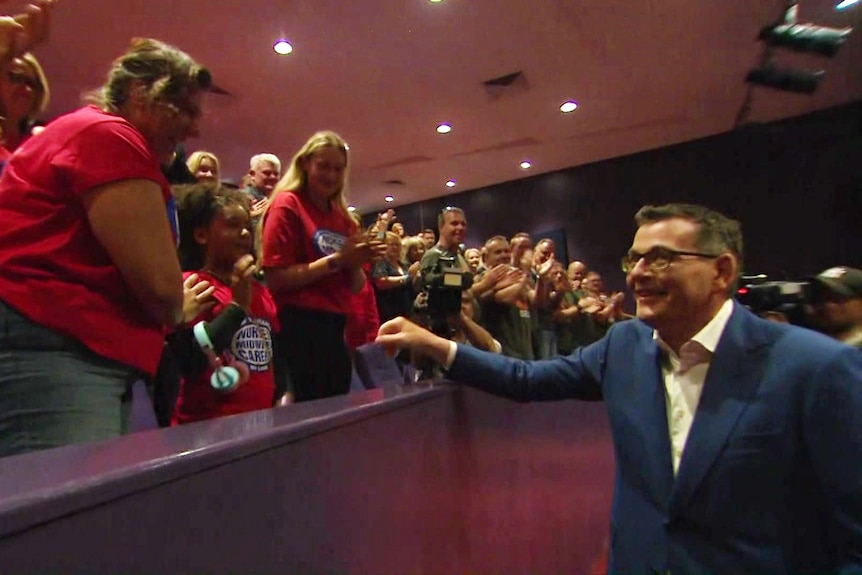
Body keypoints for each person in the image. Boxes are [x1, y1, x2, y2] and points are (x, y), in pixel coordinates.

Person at [377, 203, 862, 574]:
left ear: (722, 271)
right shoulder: (624, 345)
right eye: (634, 257)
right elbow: (527, 379)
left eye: (662, 258)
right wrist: (439, 346)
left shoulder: (814, 367)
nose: (638, 273)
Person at [0, 38, 211, 456]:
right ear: (139, 93)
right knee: (59, 510)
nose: (194, 129)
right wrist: (174, 306)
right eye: (183, 110)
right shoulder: (109, 135)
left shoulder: (90, 132)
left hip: (68, 350)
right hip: (56, 352)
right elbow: (162, 289)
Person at [260, 130, 384, 402]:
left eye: (338, 169)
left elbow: (356, 286)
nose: (331, 175)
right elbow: (276, 278)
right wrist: (338, 260)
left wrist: (356, 262)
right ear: (306, 164)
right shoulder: (287, 204)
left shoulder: (344, 219)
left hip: (334, 328)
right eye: (323, 166)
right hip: (294, 326)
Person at [170, 183, 280, 423]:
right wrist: (237, 306)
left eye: (246, 226)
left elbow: (274, 356)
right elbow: (192, 363)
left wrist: (284, 395)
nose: (244, 234)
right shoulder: (194, 284)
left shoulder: (259, 290)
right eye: (232, 225)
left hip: (260, 422)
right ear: (202, 235)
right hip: (206, 427)